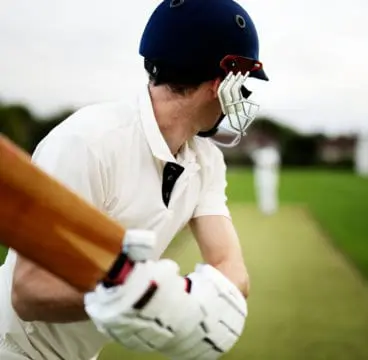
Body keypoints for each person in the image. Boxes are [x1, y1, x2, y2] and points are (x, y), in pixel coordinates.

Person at [0, 0, 269, 359]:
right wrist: (139, 296)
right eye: (245, 83)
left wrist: (177, 299)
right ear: (222, 83)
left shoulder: (206, 160)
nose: (243, 97)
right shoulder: (88, 142)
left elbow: (231, 270)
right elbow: (29, 294)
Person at [251, 143, 280, 215]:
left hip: (270, 172)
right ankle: (263, 207)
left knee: (271, 189)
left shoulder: (273, 152)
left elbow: (275, 163)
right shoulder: (259, 152)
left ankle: (271, 207)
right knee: (261, 189)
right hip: (261, 172)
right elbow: (253, 156)